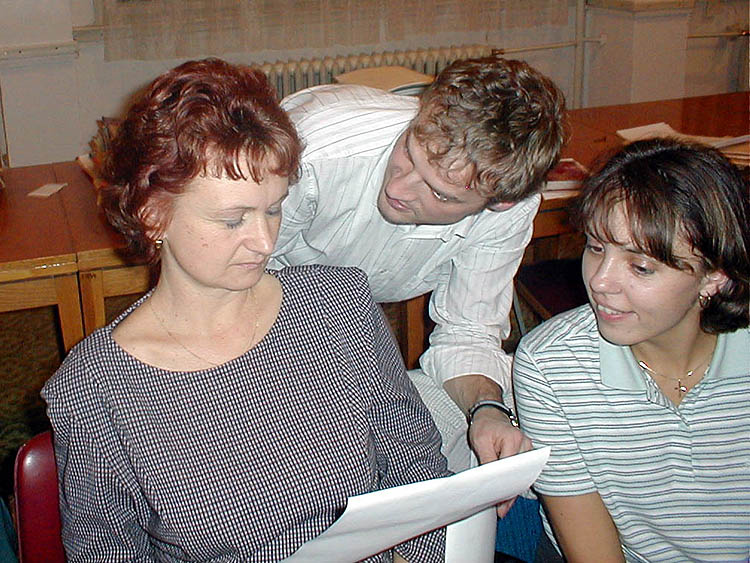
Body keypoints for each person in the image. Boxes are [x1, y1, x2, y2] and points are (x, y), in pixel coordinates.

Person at [42, 58, 450, 562]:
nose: (264, 242)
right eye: (233, 219)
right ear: (152, 217)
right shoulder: (95, 387)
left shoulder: (339, 304)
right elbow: (108, 553)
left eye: (273, 209)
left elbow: (418, 471)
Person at [271, 56, 567, 481]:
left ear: (498, 202)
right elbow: (226, 284)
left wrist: (488, 411)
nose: (398, 187)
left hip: (355, 306)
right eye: (409, 152)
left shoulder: (510, 208)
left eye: (440, 193)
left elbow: (467, 331)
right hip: (262, 279)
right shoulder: (315, 152)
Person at [513, 138, 750, 562]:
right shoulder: (552, 366)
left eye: (640, 266)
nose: (599, 281)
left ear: (714, 277)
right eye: (595, 247)